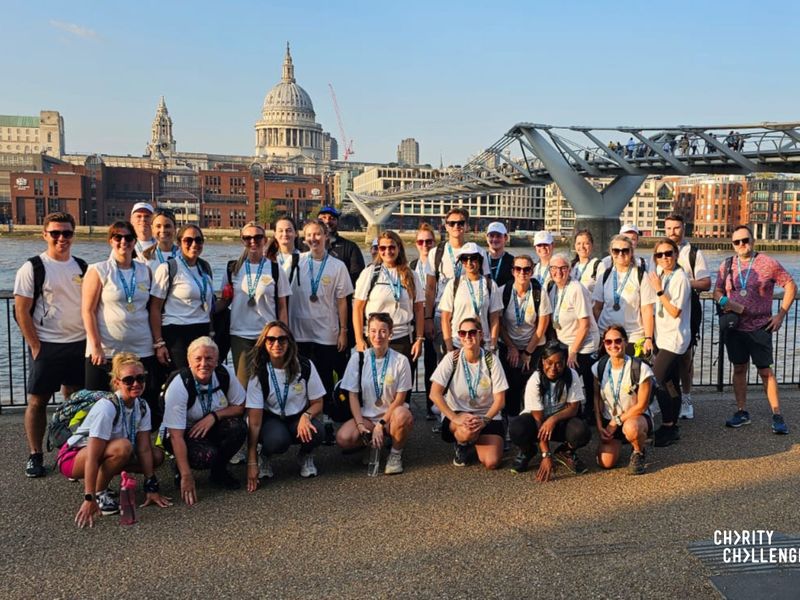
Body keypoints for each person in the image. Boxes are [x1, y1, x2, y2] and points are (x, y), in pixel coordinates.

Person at [14, 212, 87, 478]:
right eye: (55, 233)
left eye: (66, 233)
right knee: (38, 401)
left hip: (78, 343)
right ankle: (35, 455)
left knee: (76, 400)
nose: (61, 238)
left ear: (73, 235)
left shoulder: (81, 266)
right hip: (47, 345)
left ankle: (71, 449)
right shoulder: (32, 267)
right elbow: (21, 310)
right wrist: (35, 345)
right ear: (45, 234)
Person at [62, 353, 171, 528]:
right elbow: (92, 456)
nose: (136, 384)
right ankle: (99, 493)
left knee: (156, 455)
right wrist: (89, 497)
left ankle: (101, 479)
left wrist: (152, 487)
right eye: (128, 380)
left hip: (108, 452)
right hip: (73, 457)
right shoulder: (108, 407)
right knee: (123, 447)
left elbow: (143, 449)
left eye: (140, 378)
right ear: (117, 383)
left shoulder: (142, 405)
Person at [714, 225, 796, 434]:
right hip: (735, 327)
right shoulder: (727, 265)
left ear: (753, 240)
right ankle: (741, 412)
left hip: (761, 326)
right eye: (737, 242)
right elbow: (717, 290)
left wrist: (780, 315)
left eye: (745, 240)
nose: (742, 245)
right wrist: (726, 301)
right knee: (739, 369)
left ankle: (777, 414)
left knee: (765, 371)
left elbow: (790, 286)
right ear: (732, 244)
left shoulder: (768, 263)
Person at [82, 221, 159, 421]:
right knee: (101, 408)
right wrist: (96, 346)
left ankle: (141, 448)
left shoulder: (145, 271)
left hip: (141, 349)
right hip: (107, 352)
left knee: (143, 405)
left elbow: (152, 309)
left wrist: (158, 343)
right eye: (118, 237)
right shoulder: (98, 270)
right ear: (111, 241)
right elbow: (88, 311)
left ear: (134, 242)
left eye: (128, 238)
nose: (123, 241)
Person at [161, 337, 247, 504]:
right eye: (198, 359)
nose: (203, 363)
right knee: (207, 456)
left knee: (238, 427)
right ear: (189, 361)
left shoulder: (223, 373)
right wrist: (187, 476)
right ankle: (179, 466)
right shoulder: (180, 385)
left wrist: (214, 416)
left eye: (209, 358)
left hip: (210, 426)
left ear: (216, 360)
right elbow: (175, 436)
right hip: (182, 433)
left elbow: (240, 406)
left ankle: (219, 472)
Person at [244, 322, 326, 490]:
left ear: (289, 342)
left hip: (298, 417)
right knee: (278, 440)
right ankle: (264, 455)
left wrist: (306, 415)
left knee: (318, 431)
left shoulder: (304, 366)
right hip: (271, 419)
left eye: (282, 339)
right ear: (264, 343)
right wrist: (251, 461)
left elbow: (318, 403)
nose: (277, 344)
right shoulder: (259, 373)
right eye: (271, 339)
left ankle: (305, 455)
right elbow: (254, 422)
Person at [336, 313, 413, 475]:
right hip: (367, 418)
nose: (378, 336)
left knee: (403, 415)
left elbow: (400, 398)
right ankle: (369, 444)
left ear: (390, 334)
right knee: (343, 438)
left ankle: (395, 454)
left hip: (390, 418)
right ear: (367, 332)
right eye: (373, 331)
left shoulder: (400, 360)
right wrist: (360, 426)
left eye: (383, 331)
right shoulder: (358, 358)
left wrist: (382, 424)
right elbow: (353, 396)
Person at [430, 318, 508, 469]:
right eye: (462, 333)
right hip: (459, 414)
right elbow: (434, 394)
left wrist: (485, 420)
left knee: (492, 463)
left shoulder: (492, 360)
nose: (467, 336)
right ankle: (463, 444)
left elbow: (500, 400)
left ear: (480, 334)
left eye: (472, 332)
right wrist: (455, 417)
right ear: (459, 336)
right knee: (466, 430)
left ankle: (476, 440)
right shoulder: (451, 358)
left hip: (487, 414)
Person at [288, 218, 352, 396]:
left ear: (326, 236)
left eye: (317, 234)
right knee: (300, 375)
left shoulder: (338, 266)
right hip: (299, 332)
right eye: (309, 235)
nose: (313, 238)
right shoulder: (295, 262)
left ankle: (326, 414)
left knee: (324, 376)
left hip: (326, 332)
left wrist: (343, 331)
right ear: (303, 238)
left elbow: (342, 301)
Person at [508, 341, 590, 479]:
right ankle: (528, 451)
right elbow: (539, 420)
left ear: (564, 362)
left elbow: (573, 408)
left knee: (581, 431)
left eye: (559, 363)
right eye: (549, 363)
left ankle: (566, 452)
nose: (553, 368)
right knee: (517, 428)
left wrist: (553, 419)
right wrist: (546, 455)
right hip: (536, 422)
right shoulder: (535, 379)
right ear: (542, 361)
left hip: (559, 421)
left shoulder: (571, 375)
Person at [227, 221, 291, 385]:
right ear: (242, 241)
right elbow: (225, 300)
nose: (253, 241)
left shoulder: (276, 270)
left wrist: (285, 336)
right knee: (243, 385)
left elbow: (283, 307)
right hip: (240, 335)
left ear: (265, 240)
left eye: (257, 237)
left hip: (268, 335)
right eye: (247, 238)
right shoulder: (233, 268)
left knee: (270, 382)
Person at [663, 213, 711, 420]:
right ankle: (667, 399)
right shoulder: (661, 251)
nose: (672, 232)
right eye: (668, 228)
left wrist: (682, 282)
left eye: (676, 228)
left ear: (684, 228)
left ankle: (686, 398)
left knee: (685, 357)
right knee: (662, 356)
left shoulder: (693, 253)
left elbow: (706, 283)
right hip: (664, 308)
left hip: (689, 308)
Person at [425, 207, 489, 360]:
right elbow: (430, 288)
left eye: (460, 223)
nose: (456, 227)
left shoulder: (478, 252)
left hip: (470, 316)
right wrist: (428, 318)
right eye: (451, 223)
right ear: (446, 226)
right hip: (442, 316)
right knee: (443, 363)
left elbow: (486, 284)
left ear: (467, 226)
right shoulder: (436, 252)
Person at [353, 230, 424, 367]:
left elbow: (419, 309)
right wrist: (359, 339)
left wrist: (419, 339)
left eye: (392, 247)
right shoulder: (370, 273)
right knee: (374, 383)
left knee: (402, 385)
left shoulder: (411, 275)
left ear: (399, 248)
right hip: (375, 338)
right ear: (378, 250)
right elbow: (357, 308)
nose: (387, 251)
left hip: (402, 338)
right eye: (383, 248)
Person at [646, 238, 691, 448]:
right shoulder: (663, 274)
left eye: (668, 253)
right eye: (660, 255)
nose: (664, 258)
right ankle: (672, 427)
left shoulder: (680, 277)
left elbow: (675, 311)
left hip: (675, 339)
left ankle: (667, 424)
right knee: (671, 382)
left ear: (676, 254)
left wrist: (659, 290)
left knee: (656, 379)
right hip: (662, 337)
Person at [149, 224, 215, 370]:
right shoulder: (168, 268)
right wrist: (159, 343)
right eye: (188, 240)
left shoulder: (205, 268)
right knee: (180, 378)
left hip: (201, 331)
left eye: (198, 240)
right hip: (176, 333)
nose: (194, 244)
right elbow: (155, 308)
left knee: (201, 378)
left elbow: (208, 305)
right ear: (179, 243)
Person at [593, 325, 655, 475]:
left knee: (631, 428)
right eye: (608, 342)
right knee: (605, 463)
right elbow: (596, 398)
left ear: (626, 342)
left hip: (635, 418)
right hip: (611, 421)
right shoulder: (599, 367)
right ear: (604, 344)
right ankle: (623, 442)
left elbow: (642, 405)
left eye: (618, 341)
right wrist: (600, 425)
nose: (613, 345)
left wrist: (616, 422)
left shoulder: (640, 368)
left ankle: (638, 451)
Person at [498, 254, 553, 419]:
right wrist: (512, 348)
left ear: (532, 271)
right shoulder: (504, 292)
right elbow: (499, 324)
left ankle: (535, 421)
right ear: (513, 271)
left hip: (534, 345)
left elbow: (542, 325)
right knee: (511, 384)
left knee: (533, 385)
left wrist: (528, 353)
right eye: (518, 269)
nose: (522, 273)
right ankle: (511, 421)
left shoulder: (538, 293)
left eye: (527, 269)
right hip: (509, 343)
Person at [548, 253, 600, 416]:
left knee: (582, 378)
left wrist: (573, 352)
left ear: (570, 270)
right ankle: (574, 413)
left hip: (584, 343)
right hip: (565, 341)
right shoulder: (552, 288)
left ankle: (590, 412)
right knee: (569, 379)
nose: (559, 272)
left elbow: (585, 325)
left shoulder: (576, 288)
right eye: (554, 268)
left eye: (563, 268)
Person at [318, 205, 364, 380]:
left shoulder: (349, 247)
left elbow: (356, 278)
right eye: (323, 217)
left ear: (337, 221)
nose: (327, 221)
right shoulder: (305, 245)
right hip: (314, 316)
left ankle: (341, 401)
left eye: (332, 218)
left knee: (340, 364)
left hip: (340, 314)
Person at [593, 234, 656, 359]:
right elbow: (597, 308)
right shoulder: (604, 276)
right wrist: (595, 335)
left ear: (631, 252)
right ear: (611, 253)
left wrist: (648, 338)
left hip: (633, 336)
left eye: (625, 250)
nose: (620, 254)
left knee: (631, 375)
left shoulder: (640, 275)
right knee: (606, 375)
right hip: (607, 336)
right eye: (616, 251)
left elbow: (647, 310)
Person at [439, 242, 502, 353]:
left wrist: (492, 345)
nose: (469, 263)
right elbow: (445, 318)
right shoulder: (453, 284)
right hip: (457, 344)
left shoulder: (490, 285)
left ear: (480, 261)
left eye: (473, 258)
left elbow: (494, 319)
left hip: (483, 345)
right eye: (464, 259)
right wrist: (449, 347)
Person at [410, 223, 438, 419]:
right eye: (421, 241)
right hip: (413, 317)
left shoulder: (438, 264)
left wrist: (429, 316)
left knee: (432, 363)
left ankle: (431, 405)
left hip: (432, 315)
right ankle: (405, 404)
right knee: (410, 362)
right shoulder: (411, 266)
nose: (425, 245)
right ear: (416, 244)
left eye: (429, 241)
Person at [570, 229, 604, 295]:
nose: (582, 247)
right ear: (575, 246)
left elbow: (601, 294)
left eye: (586, 243)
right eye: (579, 243)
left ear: (592, 245)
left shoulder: (598, 265)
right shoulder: (571, 266)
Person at [271, 215, 302, 284]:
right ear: (275, 234)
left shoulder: (304, 259)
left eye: (289, 230)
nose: (284, 234)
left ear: (296, 233)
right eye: (280, 231)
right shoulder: (268, 259)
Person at [486, 221, 514, 287]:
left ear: (505, 238)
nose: (495, 239)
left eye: (498, 236)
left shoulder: (512, 261)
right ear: (486, 238)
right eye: (491, 236)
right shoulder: (480, 259)